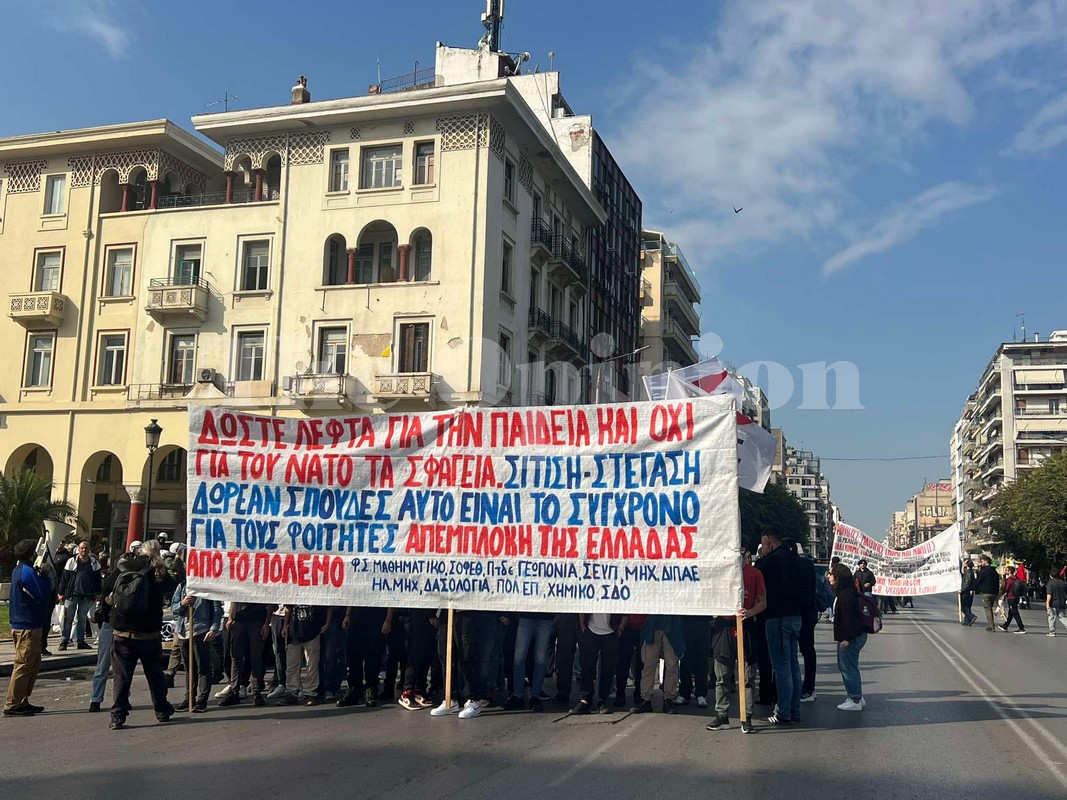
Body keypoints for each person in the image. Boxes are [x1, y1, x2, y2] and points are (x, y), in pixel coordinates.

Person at [105, 540, 178, 730]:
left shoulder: (126, 566)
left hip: (122, 632)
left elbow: (106, 586)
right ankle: (161, 710)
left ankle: (117, 716)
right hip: (149, 634)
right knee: (155, 675)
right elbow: (173, 585)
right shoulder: (158, 572)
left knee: (121, 677)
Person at [707, 546, 766, 734]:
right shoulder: (720, 573)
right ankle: (722, 715)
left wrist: (750, 612)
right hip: (724, 627)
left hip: (746, 627)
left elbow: (762, 601)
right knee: (722, 675)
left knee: (747, 676)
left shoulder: (755, 574)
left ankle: (746, 717)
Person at [755, 530, 804, 726]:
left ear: (768, 541)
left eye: (763, 543)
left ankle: (783, 711)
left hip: (778, 618)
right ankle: (794, 709)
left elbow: (759, 571)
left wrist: (762, 557)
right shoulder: (797, 560)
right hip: (795, 617)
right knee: (792, 665)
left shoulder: (771, 561)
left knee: (781, 667)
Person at [4, 539, 51, 717]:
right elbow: (42, 594)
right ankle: (12, 703)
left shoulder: (19, 570)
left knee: (30, 664)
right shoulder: (27, 572)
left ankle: (22, 700)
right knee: (24, 665)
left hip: (26, 624)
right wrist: (45, 577)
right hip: (28, 626)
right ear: (32, 554)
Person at [171, 582, 223, 712]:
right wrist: (183, 603)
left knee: (203, 667)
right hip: (183, 632)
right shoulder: (182, 586)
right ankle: (189, 698)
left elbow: (217, 609)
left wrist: (213, 629)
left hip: (200, 631)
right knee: (189, 668)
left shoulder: (207, 586)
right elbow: (174, 608)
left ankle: (202, 700)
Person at [219, 601, 273, 707]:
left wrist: (267, 623)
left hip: (257, 620)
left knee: (256, 658)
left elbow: (270, 601)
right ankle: (234, 692)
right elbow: (234, 597)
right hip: (239, 620)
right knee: (236, 657)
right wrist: (230, 618)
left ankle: (256, 693)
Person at [337, 606, 391, 707]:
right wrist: (347, 615)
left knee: (373, 658)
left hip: (377, 619)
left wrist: (388, 619)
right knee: (354, 657)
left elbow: (389, 596)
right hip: (356, 618)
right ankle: (354, 690)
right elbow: (353, 596)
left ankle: (370, 690)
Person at [830, 563, 867, 711]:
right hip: (855, 636)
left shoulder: (845, 596)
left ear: (838, 577)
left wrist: (846, 639)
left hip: (850, 637)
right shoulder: (847, 592)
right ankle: (856, 696)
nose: (829, 577)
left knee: (848, 667)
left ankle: (855, 699)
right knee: (851, 667)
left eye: (831, 574)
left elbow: (848, 619)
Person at [572, 612, 626, 715]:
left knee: (608, 669)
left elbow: (625, 612)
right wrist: (582, 625)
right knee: (587, 667)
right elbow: (582, 604)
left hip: (611, 631)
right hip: (591, 630)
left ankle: (603, 700)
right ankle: (585, 700)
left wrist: (619, 629)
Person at [278, 604, 331, 705]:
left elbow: (328, 605)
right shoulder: (294, 589)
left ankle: (310, 693)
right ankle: (292, 692)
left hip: (313, 630)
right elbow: (288, 607)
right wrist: (285, 625)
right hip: (294, 631)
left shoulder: (318, 589)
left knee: (312, 665)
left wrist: (327, 623)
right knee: (292, 665)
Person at [504, 610, 555, 711]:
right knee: (519, 657)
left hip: (545, 618)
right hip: (526, 617)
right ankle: (518, 695)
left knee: (540, 659)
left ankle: (534, 696)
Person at [633, 615, 684, 714]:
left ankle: (669, 700)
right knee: (648, 665)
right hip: (651, 626)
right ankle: (645, 699)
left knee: (672, 665)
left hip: (673, 626)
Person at [89, 561, 116, 712]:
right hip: (119, 626)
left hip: (108, 624)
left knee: (103, 664)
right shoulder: (119, 582)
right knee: (121, 666)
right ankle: (121, 697)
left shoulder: (110, 581)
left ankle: (96, 699)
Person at [676, 615, 711, 709]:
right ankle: (684, 693)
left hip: (703, 622)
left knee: (702, 660)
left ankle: (701, 694)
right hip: (686, 621)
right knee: (686, 659)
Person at [974, 555, 1001, 631]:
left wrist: (974, 589)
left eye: (982, 561)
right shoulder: (994, 571)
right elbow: (997, 583)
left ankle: (991, 626)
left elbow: (978, 581)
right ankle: (991, 625)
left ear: (986, 561)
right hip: (993, 593)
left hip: (986, 592)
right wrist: (997, 593)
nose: (981, 563)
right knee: (990, 608)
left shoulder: (983, 571)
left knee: (988, 609)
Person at [1046, 571, 1067, 637]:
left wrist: (1047, 602)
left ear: (1050, 576)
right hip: (1062, 602)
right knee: (1062, 617)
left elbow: (1049, 594)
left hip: (1053, 603)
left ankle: (1052, 631)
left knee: (1051, 616)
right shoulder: (1063, 583)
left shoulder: (1050, 583)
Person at [960, 559, 978, 626]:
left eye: (965, 563)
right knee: (967, 606)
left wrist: (962, 589)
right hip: (969, 591)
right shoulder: (971, 572)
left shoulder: (968, 573)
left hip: (966, 591)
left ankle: (971, 616)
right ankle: (967, 621)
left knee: (964, 606)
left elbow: (967, 583)